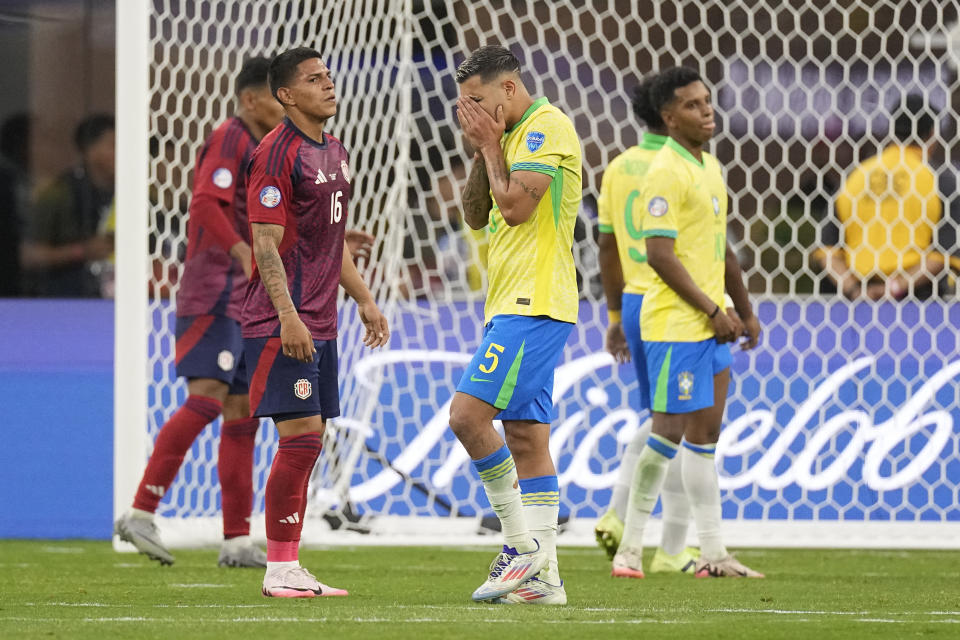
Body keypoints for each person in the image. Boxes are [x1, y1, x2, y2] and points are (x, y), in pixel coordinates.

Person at [114, 57, 376, 569]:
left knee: (242, 417)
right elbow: (206, 205)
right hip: (214, 292)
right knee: (210, 400)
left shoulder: (290, 149)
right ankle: (141, 510)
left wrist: (331, 238)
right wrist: (242, 253)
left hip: (249, 298)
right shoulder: (233, 138)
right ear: (259, 98)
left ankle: (236, 538)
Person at [242, 47, 388, 598]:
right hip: (284, 322)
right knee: (301, 436)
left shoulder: (336, 151)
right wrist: (288, 317)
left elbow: (330, 238)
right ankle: (280, 567)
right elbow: (265, 243)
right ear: (286, 95)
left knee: (311, 437)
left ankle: (288, 564)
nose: (328, 84)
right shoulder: (275, 154)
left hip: (322, 320)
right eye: (313, 79)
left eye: (328, 75)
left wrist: (365, 300)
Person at [611, 67, 763, 579]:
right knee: (666, 434)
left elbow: (721, 251)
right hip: (676, 323)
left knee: (705, 437)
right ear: (669, 117)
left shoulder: (709, 167)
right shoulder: (664, 172)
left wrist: (744, 309)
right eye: (694, 105)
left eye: (708, 101)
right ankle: (630, 550)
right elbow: (658, 255)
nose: (707, 111)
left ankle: (714, 554)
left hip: (712, 319)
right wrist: (713, 310)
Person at [450, 45, 582, 605]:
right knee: (527, 439)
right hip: (509, 301)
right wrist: (486, 148)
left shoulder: (546, 127)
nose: (473, 114)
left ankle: (519, 545)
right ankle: (545, 579)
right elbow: (476, 213)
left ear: (509, 88)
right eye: (464, 106)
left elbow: (516, 210)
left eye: (478, 101)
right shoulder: (505, 137)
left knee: (467, 417)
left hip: (535, 300)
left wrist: (489, 144)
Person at [594, 73, 699, 574]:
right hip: (676, 300)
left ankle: (623, 517)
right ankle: (670, 544)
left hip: (634, 302)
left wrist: (614, 315)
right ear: (668, 112)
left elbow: (608, 248)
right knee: (677, 424)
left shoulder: (619, 167)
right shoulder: (683, 165)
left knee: (662, 420)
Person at [814, 95, 945, 300]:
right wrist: (893, 288)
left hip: (857, 303)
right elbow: (945, 253)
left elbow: (827, 251)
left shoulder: (856, 175)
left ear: (891, 132)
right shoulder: (940, 179)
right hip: (919, 303)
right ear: (931, 135)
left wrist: (855, 290)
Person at [21, 114, 114, 297]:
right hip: (66, 301)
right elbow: (28, 255)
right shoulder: (59, 193)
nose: (122, 152)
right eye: (113, 145)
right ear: (90, 150)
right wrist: (81, 252)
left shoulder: (132, 194)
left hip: (118, 298)